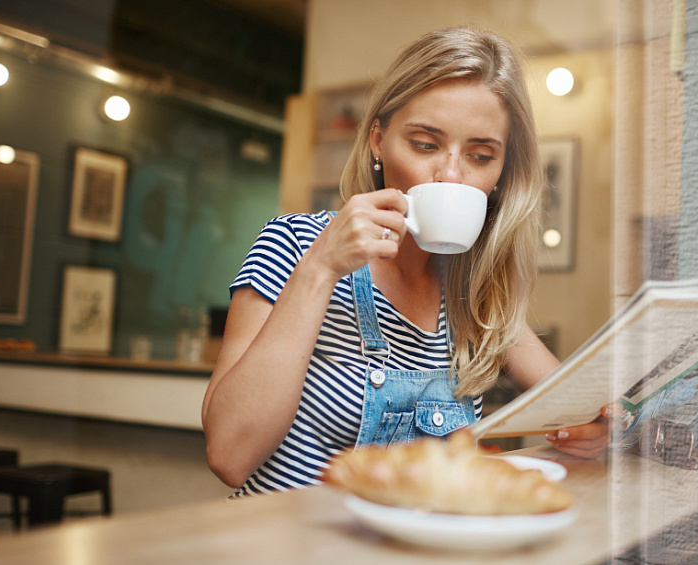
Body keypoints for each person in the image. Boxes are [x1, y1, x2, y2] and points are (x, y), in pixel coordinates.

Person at [201, 27, 614, 496]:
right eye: (425, 144)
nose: (452, 175)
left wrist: (595, 428)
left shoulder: (475, 296)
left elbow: (578, 409)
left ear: (501, 173)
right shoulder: (294, 244)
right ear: (378, 140)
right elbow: (228, 455)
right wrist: (320, 269)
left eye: (480, 155)